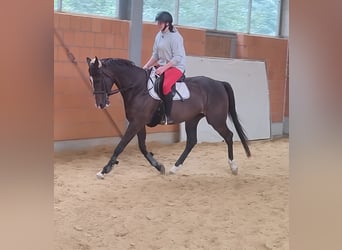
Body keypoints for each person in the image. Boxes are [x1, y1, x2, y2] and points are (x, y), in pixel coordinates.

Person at [143, 11, 186, 125]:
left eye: (160, 23)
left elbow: (177, 57)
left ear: (167, 23)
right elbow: (155, 55)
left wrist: (163, 68)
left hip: (176, 66)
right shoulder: (159, 35)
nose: (158, 24)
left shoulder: (175, 37)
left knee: (166, 85)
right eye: (158, 22)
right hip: (163, 65)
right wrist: (146, 66)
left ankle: (168, 115)